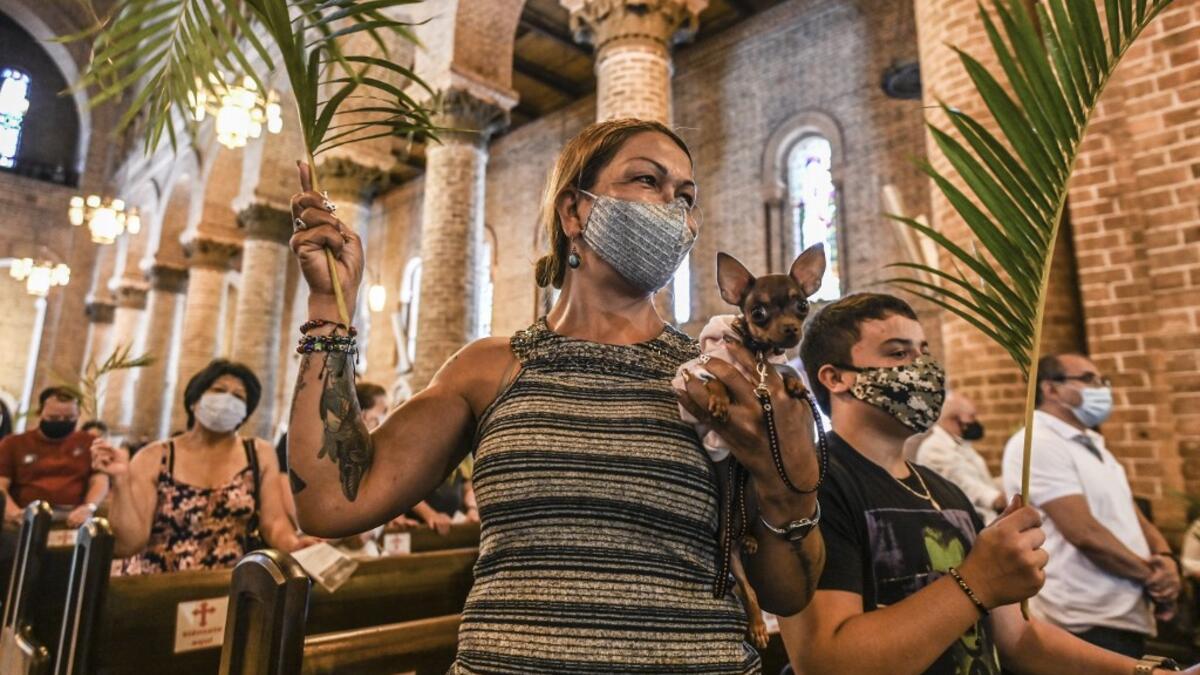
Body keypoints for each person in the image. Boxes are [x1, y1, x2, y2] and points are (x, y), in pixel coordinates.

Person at [286, 118, 826, 672]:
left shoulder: (715, 376)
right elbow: (331, 500)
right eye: (648, 181)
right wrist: (330, 310)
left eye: (686, 196)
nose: (674, 207)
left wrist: (788, 484)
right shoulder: (491, 368)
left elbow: (787, 593)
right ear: (575, 211)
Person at [780, 293, 1196, 675]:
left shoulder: (945, 492)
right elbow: (826, 662)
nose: (923, 369)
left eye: (924, 352)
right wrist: (976, 581)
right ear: (836, 378)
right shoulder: (814, 484)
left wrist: (1150, 673)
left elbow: (1019, 640)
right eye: (898, 353)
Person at [1001, 353, 1181, 658]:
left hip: (1122, 607)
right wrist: (1152, 577)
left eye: (1102, 380)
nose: (1101, 388)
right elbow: (1083, 532)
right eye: (1088, 379)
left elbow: (1131, 512)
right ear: (1051, 389)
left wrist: (1164, 558)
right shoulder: (1039, 442)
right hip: (1083, 618)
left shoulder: (1091, 443)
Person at [92, 360, 311, 574]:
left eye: (238, 396)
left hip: (226, 582)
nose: (227, 400)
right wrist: (120, 480)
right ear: (194, 401)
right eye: (219, 390)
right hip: (156, 581)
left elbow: (274, 522)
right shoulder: (154, 456)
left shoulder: (259, 453)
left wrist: (293, 544)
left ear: (245, 413)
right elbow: (128, 544)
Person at [0, 387, 107, 527]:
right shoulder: (14, 443)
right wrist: (12, 511)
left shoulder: (89, 443)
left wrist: (89, 507)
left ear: (78, 414)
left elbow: (99, 480)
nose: (62, 421)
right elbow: (1, 484)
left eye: (69, 418)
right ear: (40, 413)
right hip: (24, 514)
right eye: (54, 418)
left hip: (72, 517)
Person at [916, 391, 1006, 524]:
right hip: (965, 524)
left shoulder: (960, 444)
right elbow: (966, 487)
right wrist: (997, 499)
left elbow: (981, 480)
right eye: (972, 417)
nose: (975, 421)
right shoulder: (934, 449)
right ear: (953, 419)